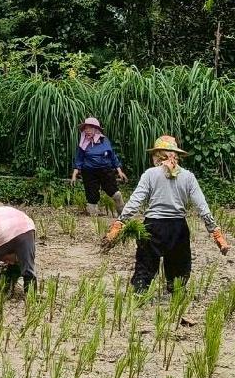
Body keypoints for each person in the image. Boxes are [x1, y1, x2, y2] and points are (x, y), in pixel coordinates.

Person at [104, 135, 229, 292]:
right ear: (175, 155)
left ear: (157, 156)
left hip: (152, 227)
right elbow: (202, 206)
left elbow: (135, 201)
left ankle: (140, 292)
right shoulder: (188, 176)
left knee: (145, 264)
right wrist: (216, 233)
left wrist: (119, 224)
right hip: (178, 229)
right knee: (178, 267)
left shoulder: (150, 174)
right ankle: (175, 290)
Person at [71, 117, 127, 217]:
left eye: (90, 128)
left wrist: (119, 171)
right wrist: (74, 175)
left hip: (105, 170)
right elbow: (79, 158)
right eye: (86, 128)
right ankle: (94, 217)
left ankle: (123, 214)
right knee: (91, 194)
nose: (87, 131)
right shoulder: (83, 142)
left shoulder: (104, 140)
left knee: (114, 192)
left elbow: (112, 156)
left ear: (96, 129)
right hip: (89, 172)